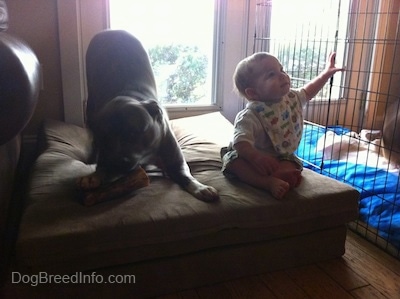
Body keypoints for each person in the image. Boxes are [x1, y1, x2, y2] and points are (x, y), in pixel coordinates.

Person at [221, 52, 345, 199]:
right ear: (253, 93)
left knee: (292, 164)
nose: (282, 75)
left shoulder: (291, 99)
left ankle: (280, 175)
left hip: (281, 157)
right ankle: (265, 182)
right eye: (271, 74)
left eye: (281, 70)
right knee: (234, 162)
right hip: (253, 157)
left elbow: (309, 91)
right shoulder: (250, 115)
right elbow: (240, 143)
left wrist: (326, 74)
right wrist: (256, 158)